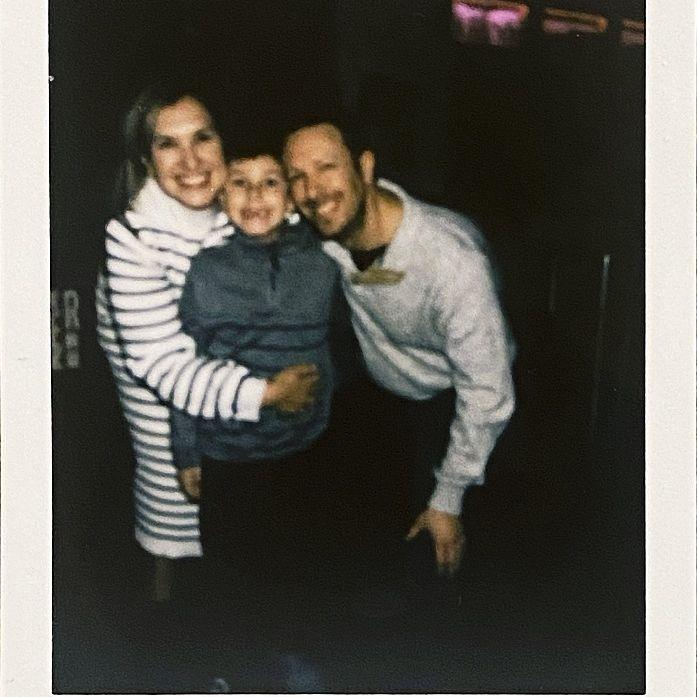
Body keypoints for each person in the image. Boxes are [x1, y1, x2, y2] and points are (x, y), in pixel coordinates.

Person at [95, 83, 319, 598]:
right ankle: (166, 635)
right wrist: (265, 394)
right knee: (175, 532)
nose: (191, 160)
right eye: (168, 144)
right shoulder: (133, 237)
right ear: (146, 159)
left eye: (203, 138)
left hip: (248, 403)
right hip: (165, 400)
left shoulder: (241, 201)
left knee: (247, 546)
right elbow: (160, 364)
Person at [282, 119, 516, 601]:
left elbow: (487, 392)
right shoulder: (325, 235)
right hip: (383, 395)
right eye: (297, 177)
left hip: (463, 401)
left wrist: (449, 498)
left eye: (327, 167)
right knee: (355, 563)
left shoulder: (451, 261)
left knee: (444, 566)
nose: (313, 190)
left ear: (365, 167)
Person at [169, 135, 354, 691]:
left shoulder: (323, 263)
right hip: (229, 455)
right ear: (222, 195)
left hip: (303, 450)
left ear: (291, 197)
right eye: (240, 184)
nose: (255, 197)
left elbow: (337, 343)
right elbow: (184, 365)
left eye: (270, 183)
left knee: (298, 571)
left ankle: (295, 666)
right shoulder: (206, 271)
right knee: (233, 583)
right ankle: (237, 674)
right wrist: (187, 450)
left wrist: (327, 407)